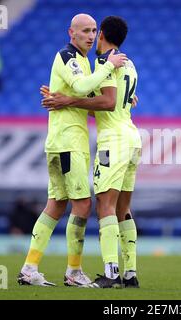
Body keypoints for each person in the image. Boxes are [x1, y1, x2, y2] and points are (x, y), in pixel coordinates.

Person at [17, 13, 127, 287]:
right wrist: (108, 66)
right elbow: (81, 87)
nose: (91, 36)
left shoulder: (82, 62)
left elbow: (86, 99)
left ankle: (29, 268)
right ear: (71, 33)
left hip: (60, 142)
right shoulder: (68, 57)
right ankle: (74, 272)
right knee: (83, 204)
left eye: (93, 31)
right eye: (85, 31)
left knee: (56, 205)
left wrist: (121, 100)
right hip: (68, 143)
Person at [41, 16, 141, 289]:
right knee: (124, 209)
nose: (92, 36)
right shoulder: (128, 63)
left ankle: (111, 273)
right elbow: (125, 98)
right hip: (133, 138)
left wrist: (67, 100)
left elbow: (108, 102)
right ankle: (130, 274)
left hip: (113, 141)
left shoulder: (103, 63)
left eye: (95, 32)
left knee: (105, 206)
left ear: (102, 36)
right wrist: (62, 94)